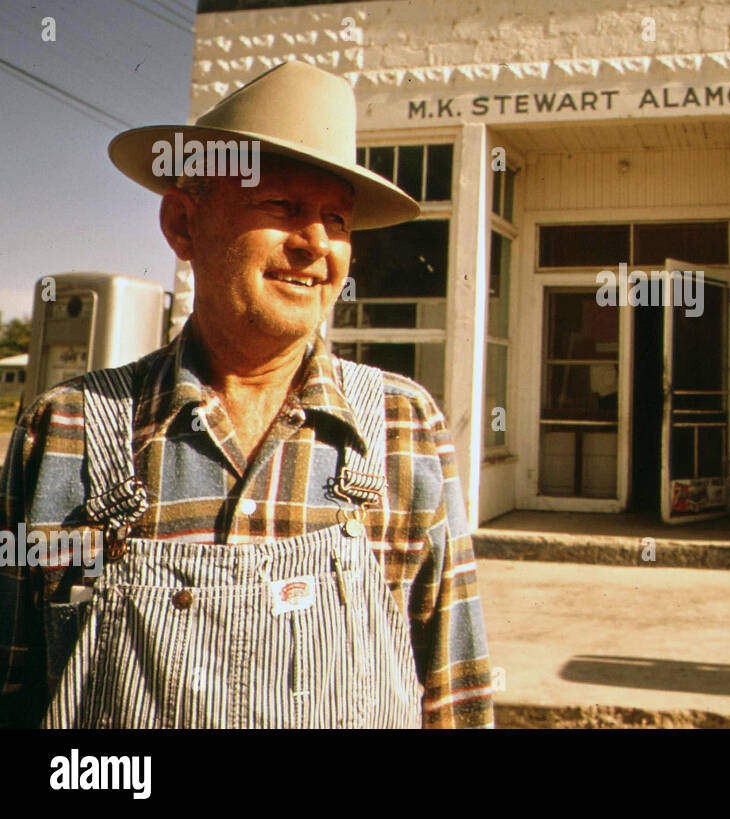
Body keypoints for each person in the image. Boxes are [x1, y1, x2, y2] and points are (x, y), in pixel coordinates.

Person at [0, 60, 493, 728]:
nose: (316, 243)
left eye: (337, 219)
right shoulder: (65, 431)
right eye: (282, 206)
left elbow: (456, 699)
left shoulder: (407, 428)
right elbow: (13, 686)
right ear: (182, 223)